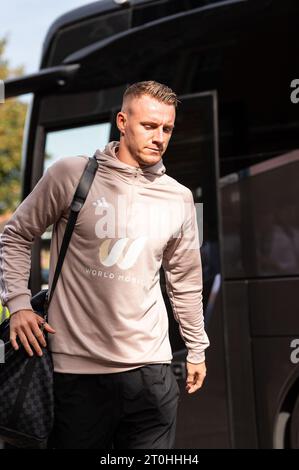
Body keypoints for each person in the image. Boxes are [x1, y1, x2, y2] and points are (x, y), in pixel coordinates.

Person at [0, 80, 209, 449]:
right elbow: (16, 234)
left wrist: (196, 348)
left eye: (167, 128)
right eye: (149, 125)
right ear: (123, 121)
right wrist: (17, 304)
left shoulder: (179, 198)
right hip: (76, 375)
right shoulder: (72, 174)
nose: (159, 137)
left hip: (151, 375)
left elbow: (186, 280)